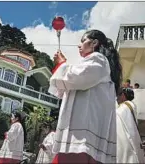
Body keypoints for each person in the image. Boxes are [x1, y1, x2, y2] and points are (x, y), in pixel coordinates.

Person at [48, 29, 122, 163]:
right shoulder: (96, 63)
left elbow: (77, 77)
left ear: (94, 43)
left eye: (83, 41)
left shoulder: (98, 59)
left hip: (82, 136)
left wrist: (62, 64)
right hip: (81, 135)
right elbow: (66, 86)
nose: (79, 45)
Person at [116, 87, 145, 163]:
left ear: (123, 95)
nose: (116, 98)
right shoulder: (127, 106)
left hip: (126, 142)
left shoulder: (126, 107)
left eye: (118, 95)